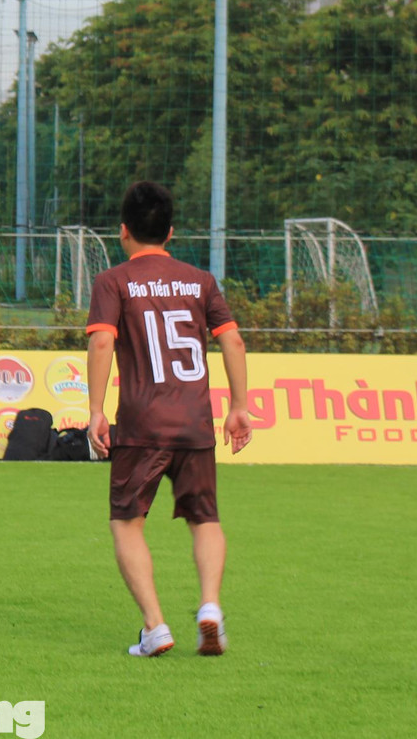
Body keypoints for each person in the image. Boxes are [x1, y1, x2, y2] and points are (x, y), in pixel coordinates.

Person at [84, 181, 252, 658]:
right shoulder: (201, 281)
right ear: (171, 232)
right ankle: (211, 607)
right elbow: (233, 342)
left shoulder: (113, 281)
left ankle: (155, 626)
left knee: (126, 522)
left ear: (123, 232)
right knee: (204, 518)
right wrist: (238, 406)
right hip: (196, 422)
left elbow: (101, 343)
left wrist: (96, 411)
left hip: (142, 425)